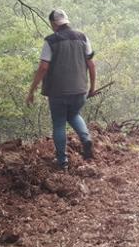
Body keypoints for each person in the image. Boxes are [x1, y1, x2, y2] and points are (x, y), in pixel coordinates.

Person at [26, 9, 96, 170]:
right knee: (74, 114)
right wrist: (92, 88)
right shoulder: (82, 37)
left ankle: (62, 161)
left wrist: (32, 91)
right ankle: (86, 139)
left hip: (57, 92)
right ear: (66, 21)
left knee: (58, 123)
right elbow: (91, 64)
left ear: (53, 23)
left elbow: (43, 67)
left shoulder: (51, 40)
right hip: (79, 90)